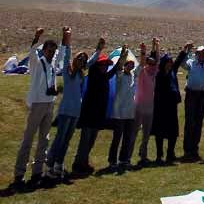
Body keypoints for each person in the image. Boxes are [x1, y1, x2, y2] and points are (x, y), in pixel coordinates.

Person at [12, 28, 61, 189]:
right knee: (28, 139)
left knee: (44, 139)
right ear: (44, 50)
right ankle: (19, 173)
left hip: (49, 103)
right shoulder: (37, 62)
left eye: (54, 51)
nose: (52, 53)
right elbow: (32, 51)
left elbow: (61, 57)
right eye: (49, 50)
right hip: (37, 103)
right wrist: (37, 37)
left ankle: (37, 172)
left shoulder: (52, 64)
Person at [46, 27, 93, 180]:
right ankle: (49, 166)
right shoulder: (68, 73)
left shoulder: (80, 75)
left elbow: (90, 63)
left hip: (75, 113)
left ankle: (59, 165)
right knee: (59, 139)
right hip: (66, 111)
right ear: (75, 60)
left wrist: (98, 50)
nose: (82, 61)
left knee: (66, 140)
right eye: (79, 59)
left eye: (83, 60)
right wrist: (67, 39)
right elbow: (66, 57)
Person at [72, 37, 124, 174]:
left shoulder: (104, 77)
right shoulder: (94, 77)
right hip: (90, 113)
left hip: (98, 114)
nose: (105, 67)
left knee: (91, 140)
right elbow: (94, 63)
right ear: (97, 66)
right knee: (85, 140)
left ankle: (83, 162)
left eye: (106, 65)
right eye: (102, 65)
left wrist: (122, 58)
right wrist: (99, 48)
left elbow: (114, 71)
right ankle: (78, 164)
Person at [178, 43, 204, 161]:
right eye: (199, 53)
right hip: (191, 94)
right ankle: (187, 150)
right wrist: (187, 49)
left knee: (198, 122)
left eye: (203, 53)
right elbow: (181, 62)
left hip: (203, 95)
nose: (201, 55)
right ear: (196, 54)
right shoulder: (191, 63)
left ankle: (194, 149)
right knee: (190, 121)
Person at [151, 47, 187, 165]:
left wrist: (184, 51)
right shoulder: (159, 74)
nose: (170, 64)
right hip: (161, 107)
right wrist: (154, 49)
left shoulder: (172, 71)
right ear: (163, 63)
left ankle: (170, 154)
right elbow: (154, 61)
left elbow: (178, 62)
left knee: (173, 132)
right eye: (168, 62)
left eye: (170, 62)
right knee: (160, 132)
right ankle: (159, 155)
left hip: (172, 107)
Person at [108, 45, 140, 171]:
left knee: (127, 138)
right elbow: (119, 67)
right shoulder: (120, 76)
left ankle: (124, 160)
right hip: (119, 113)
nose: (130, 66)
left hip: (130, 113)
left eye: (132, 65)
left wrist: (143, 52)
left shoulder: (133, 77)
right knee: (117, 138)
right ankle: (112, 160)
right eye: (128, 64)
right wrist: (123, 55)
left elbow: (140, 67)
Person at [131, 39, 159, 166]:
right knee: (134, 131)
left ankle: (143, 155)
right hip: (138, 107)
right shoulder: (142, 72)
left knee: (146, 133)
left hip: (150, 107)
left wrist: (156, 46)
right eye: (150, 63)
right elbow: (141, 63)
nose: (152, 65)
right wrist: (143, 51)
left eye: (153, 64)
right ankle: (126, 156)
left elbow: (157, 59)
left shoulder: (154, 73)